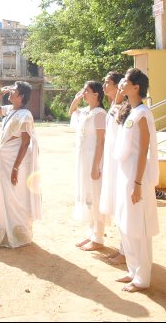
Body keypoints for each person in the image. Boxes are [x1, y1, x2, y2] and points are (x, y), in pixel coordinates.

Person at [114, 68, 159, 292]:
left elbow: (143, 151)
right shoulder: (130, 111)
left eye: (125, 81)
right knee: (126, 222)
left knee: (139, 226)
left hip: (136, 175)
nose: (121, 84)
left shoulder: (143, 114)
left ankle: (142, 278)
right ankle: (132, 270)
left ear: (136, 87)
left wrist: (138, 184)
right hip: (125, 174)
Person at [0, 81, 42, 249]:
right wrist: (0, 92)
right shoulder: (10, 110)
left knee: (16, 196)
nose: (10, 91)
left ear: (21, 96)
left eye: (13, 90)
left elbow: (25, 142)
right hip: (5, 159)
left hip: (17, 162)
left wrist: (16, 168)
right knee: (4, 195)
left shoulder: (25, 115)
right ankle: (5, 231)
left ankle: (19, 234)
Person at [69, 81, 107, 251]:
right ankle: (91, 233)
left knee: (96, 196)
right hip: (83, 159)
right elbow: (72, 112)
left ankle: (98, 238)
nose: (83, 93)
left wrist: (95, 166)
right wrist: (76, 99)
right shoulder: (86, 111)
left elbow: (101, 141)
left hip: (94, 159)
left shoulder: (100, 114)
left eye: (87, 90)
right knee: (88, 195)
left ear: (96, 94)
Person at [99, 71, 126, 265]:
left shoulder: (125, 109)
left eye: (107, 82)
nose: (104, 85)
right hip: (111, 162)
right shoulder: (113, 106)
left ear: (118, 86)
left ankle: (126, 251)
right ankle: (123, 248)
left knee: (122, 207)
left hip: (120, 164)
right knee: (116, 206)